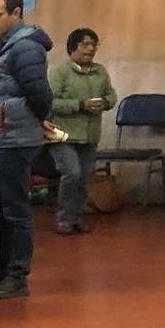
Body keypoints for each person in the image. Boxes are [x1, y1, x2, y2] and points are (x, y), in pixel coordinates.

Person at [0, 0, 53, 300]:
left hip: (13, 139)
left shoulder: (25, 48)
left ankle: (17, 276)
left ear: (16, 13)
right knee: (3, 210)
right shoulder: (4, 45)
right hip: (1, 138)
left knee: (16, 211)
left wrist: (34, 119)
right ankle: (2, 270)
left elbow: (40, 94)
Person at [49, 27, 117, 236]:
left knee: (84, 177)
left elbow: (111, 95)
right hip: (64, 135)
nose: (90, 49)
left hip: (90, 134)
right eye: (85, 44)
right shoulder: (60, 73)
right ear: (72, 47)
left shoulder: (100, 72)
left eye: (94, 45)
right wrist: (80, 105)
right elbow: (50, 102)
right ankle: (64, 219)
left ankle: (76, 217)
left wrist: (105, 103)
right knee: (72, 173)